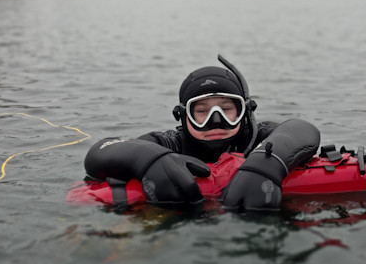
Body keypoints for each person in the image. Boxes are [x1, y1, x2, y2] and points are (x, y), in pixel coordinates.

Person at [84, 55, 320, 212]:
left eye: (227, 109)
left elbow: (301, 129)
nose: (215, 121)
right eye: (201, 111)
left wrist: (267, 163)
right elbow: (101, 150)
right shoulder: (171, 143)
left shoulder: (257, 137)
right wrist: (150, 159)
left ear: (245, 112)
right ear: (183, 116)